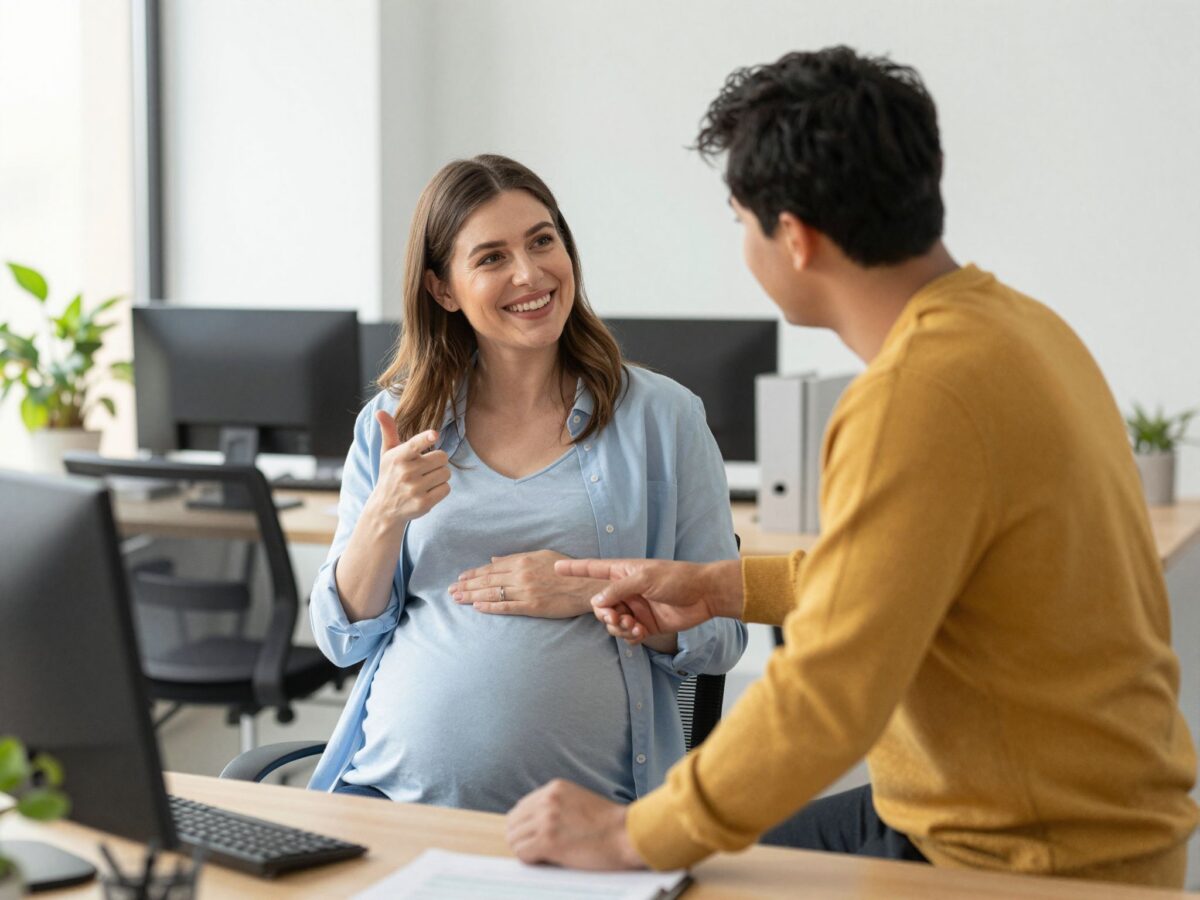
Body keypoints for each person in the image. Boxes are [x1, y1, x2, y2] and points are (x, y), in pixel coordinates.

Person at [505, 47, 1199, 887]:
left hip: (1030, 857)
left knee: (645, 875)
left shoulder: (916, 395)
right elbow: (903, 576)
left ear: (793, 238)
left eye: (740, 221)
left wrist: (629, 833)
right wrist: (716, 586)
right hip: (1048, 815)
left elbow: (829, 695)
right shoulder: (1022, 329)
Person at [306, 154, 747, 814]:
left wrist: (592, 590)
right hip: (390, 802)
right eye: (490, 257)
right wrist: (382, 516)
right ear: (442, 289)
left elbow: (721, 636)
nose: (529, 273)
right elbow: (342, 638)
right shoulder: (394, 425)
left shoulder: (667, 419)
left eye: (543, 240)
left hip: (595, 821)